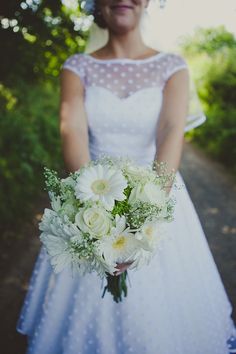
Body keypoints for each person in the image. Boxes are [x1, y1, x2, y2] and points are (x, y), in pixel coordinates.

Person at [16, 0, 236, 353]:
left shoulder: (172, 67)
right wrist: (97, 222)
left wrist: (144, 219)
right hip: (90, 193)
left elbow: (169, 131)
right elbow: (72, 133)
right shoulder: (77, 68)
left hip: (158, 196)